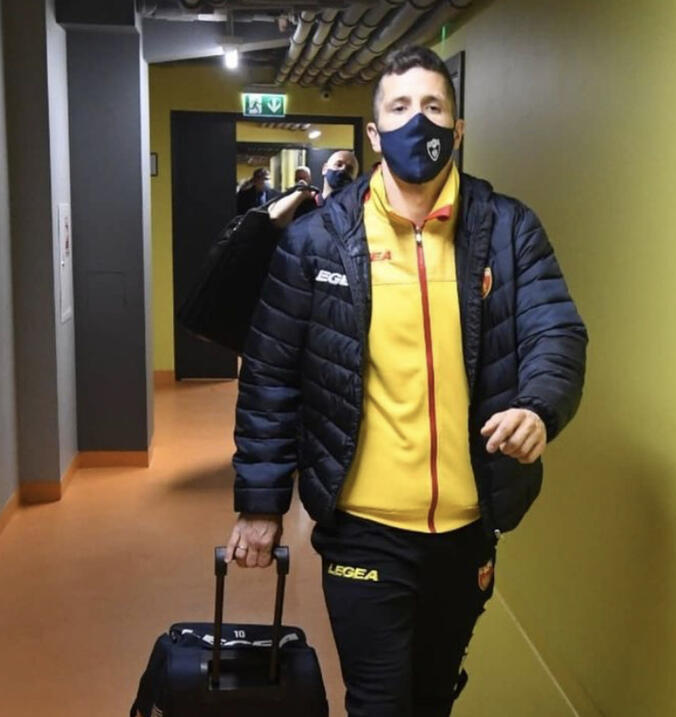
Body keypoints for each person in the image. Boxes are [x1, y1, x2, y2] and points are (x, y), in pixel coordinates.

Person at [226, 45, 587, 716]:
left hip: (467, 525)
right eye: (399, 108)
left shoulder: (508, 229)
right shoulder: (317, 241)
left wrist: (539, 406)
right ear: (373, 133)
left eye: (433, 106)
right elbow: (272, 375)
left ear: (459, 128)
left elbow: (555, 332)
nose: (417, 122)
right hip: (363, 526)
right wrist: (260, 503)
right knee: (379, 702)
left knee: (431, 696)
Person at [267, 150, 360, 228]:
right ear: (325, 169)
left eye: (349, 169)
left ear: (355, 178)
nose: (343, 170)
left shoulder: (356, 211)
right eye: (338, 164)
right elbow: (276, 218)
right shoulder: (305, 202)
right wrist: (300, 194)